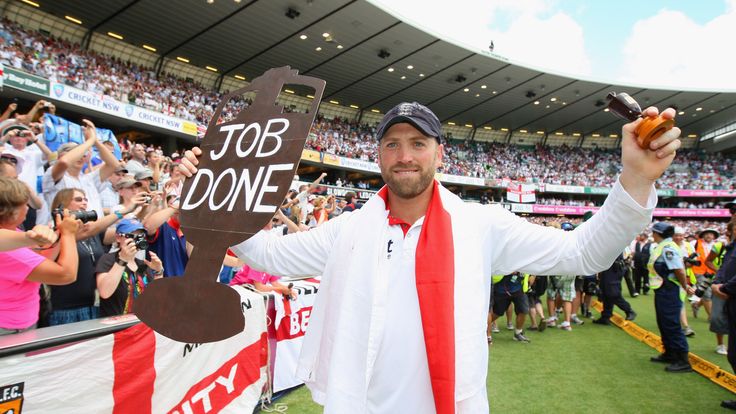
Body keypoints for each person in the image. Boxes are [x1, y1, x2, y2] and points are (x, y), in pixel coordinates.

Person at [181, 101, 679, 413]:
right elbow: (269, 252)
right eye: (393, 144)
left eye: (418, 143)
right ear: (379, 157)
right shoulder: (350, 228)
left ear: (439, 154)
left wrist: (636, 178)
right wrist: (208, 195)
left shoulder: (480, 224)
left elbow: (584, 251)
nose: (405, 155)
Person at [0, 177, 80, 335]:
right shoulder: (10, 251)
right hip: (9, 328)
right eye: (25, 204)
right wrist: (69, 235)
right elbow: (66, 275)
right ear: (12, 211)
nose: (28, 209)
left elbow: (41, 265)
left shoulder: (12, 234)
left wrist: (58, 233)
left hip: (19, 322)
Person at [648, 222, 695, 373]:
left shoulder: (667, 247)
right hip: (663, 289)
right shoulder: (663, 246)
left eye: (653, 232)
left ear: (658, 233)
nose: (652, 235)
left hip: (670, 290)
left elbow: (679, 270)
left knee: (672, 324)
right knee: (663, 322)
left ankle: (682, 360)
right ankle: (669, 352)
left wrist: (685, 285)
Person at [95, 219, 164, 317]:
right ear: (118, 237)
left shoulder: (142, 264)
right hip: (115, 327)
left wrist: (158, 272)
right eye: (131, 236)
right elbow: (104, 292)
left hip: (141, 324)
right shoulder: (108, 260)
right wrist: (122, 259)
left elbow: (155, 298)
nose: (136, 240)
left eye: (140, 236)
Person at [710, 217, 736, 410]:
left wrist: (725, 289)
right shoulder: (730, 247)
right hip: (731, 300)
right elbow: (724, 268)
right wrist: (718, 284)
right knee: (733, 354)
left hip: (731, 295)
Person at [593, 252, 636, 325]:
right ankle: (605, 317)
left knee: (612, 292)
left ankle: (629, 310)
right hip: (608, 267)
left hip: (614, 268)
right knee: (605, 292)